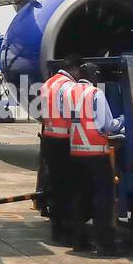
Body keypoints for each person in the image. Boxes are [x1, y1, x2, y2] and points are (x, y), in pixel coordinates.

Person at [67, 63, 124, 256]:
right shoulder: (95, 94)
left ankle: (78, 241)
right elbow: (106, 124)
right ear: (94, 76)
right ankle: (105, 244)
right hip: (96, 153)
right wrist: (123, 121)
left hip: (76, 152)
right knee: (103, 200)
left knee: (80, 197)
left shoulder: (69, 92)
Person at [39, 55, 80, 245]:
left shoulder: (48, 83)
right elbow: (75, 113)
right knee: (69, 186)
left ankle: (56, 228)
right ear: (74, 69)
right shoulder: (69, 87)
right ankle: (67, 229)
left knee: (55, 185)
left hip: (49, 139)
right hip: (64, 140)